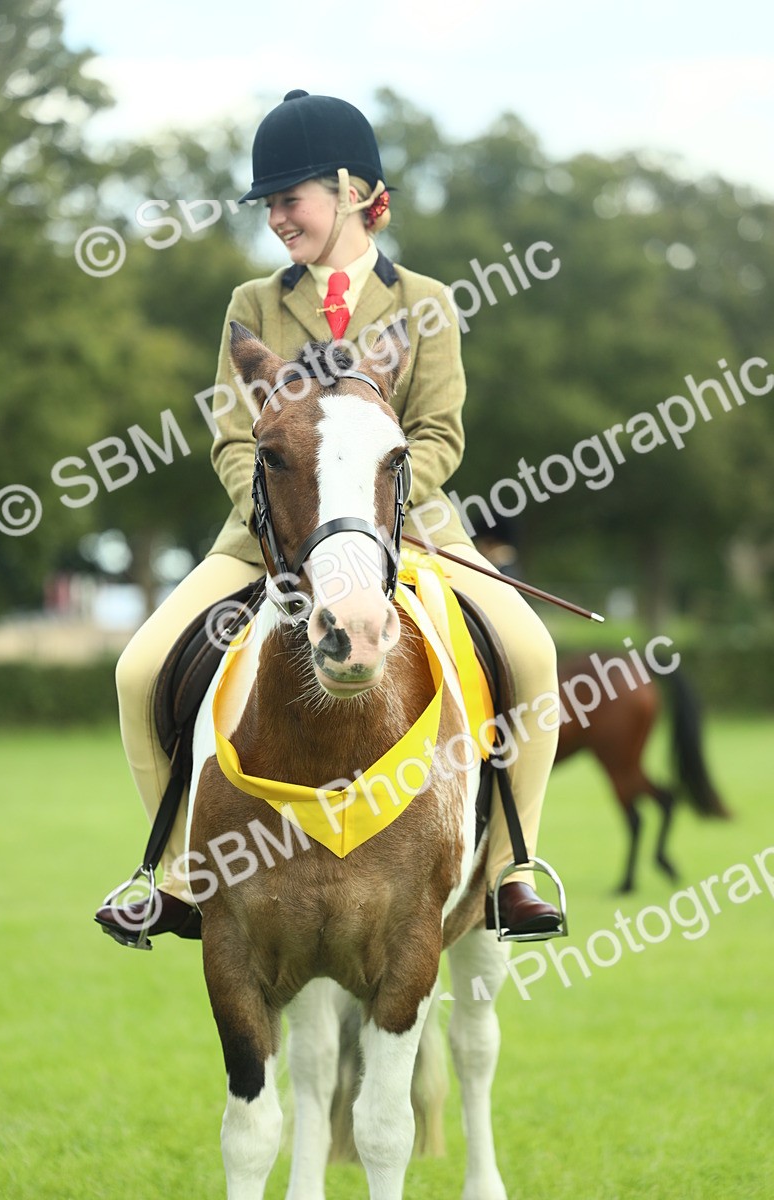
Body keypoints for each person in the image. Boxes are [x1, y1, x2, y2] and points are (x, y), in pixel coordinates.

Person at [96, 89, 562, 945]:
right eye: (269, 205)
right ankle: (182, 874)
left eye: (289, 198)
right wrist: (282, 524)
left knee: (533, 655)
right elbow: (233, 438)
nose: (277, 218)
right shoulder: (251, 304)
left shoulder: (426, 299)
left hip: (411, 530)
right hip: (271, 537)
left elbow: (438, 434)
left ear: (351, 191)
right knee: (138, 670)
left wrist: (372, 516)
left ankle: (511, 870)